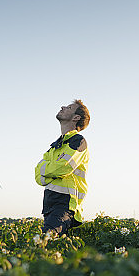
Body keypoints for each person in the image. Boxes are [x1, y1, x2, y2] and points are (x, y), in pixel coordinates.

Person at [34, 99, 90, 235]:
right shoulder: (54, 147)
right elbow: (37, 176)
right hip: (49, 205)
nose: (63, 107)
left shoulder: (78, 142)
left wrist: (47, 170)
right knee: (51, 248)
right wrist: (52, 170)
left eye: (69, 107)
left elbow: (62, 168)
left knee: (45, 241)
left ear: (76, 117)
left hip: (65, 206)